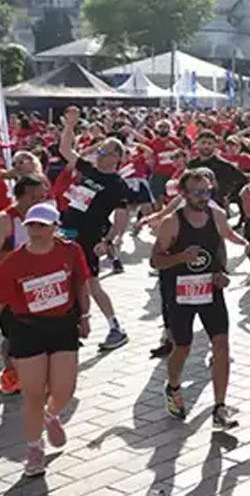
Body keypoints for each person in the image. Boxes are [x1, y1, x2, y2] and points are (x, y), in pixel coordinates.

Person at [150, 168, 245, 429]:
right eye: (197, 193)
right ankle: (173, 387)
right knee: (182, 346)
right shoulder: (172, 222)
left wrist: (223, 274)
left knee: (222, 344)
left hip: (209, 290)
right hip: (179, 292)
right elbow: (155, 260)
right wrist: (181, 257)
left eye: (207, 192)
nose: (203, 197)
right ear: (183, 194)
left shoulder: (218, 216)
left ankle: (220, 406)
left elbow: (219, 250)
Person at [0, 203, 90, 477]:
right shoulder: (13, 262)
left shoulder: (70, 251)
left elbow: (81, 282)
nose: (36, 230)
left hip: (62, 326)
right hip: (26, 328)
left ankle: (50, 415)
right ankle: (34, 449)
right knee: (33, 393)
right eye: (31, 225)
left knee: (64, 389)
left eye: (42, 225)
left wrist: (84, 314)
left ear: (55, 227)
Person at [57, 106, 130, 351]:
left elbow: (121, 215)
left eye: (103, 151)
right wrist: (69, 126)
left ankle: (115, 327)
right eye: (98, 150)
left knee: (92, 284)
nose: (98, 154)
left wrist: (109, 241)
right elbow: (65, 150)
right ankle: (71, 326)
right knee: (64, 280)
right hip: (67, 230)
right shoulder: (89, 170)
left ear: (116, 158)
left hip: (89, 237)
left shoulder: (116, 184)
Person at [0, 175, 49, 395]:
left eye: (43, 198)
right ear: (23, 196)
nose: (41, 203)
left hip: (35, 287)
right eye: (36, 198)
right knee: (12, 334)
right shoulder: (5, 219)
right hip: (8, 289)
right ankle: (11, 376)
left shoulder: (41, 219)